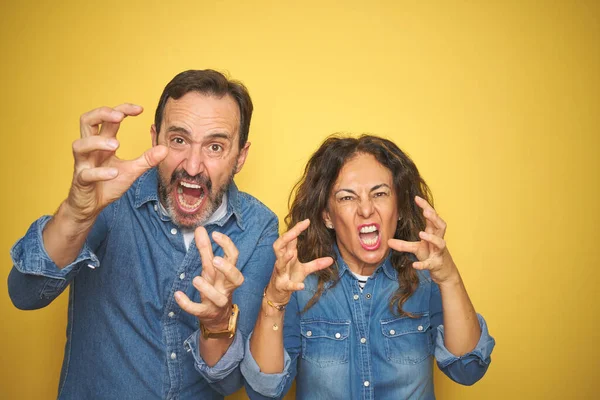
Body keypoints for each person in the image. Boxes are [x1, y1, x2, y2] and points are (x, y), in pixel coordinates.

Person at [8, 70, 278, 399]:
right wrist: (77, 213)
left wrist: (218, 324)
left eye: (215, 147)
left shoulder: (260, 226)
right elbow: (25, 294)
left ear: (241, 156)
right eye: (178, 140)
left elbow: (226, 383)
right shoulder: (110, 194)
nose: (192, 166)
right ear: (156, 138)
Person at [241, 134, 495, 399]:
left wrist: (449, 278)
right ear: (327, 215)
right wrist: (274, 300)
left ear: (397, 208)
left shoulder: (427, 275)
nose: (366, 210)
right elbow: (264, 392)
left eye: (380, 193)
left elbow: (469, 370)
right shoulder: (297, 282)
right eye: (347, 198)